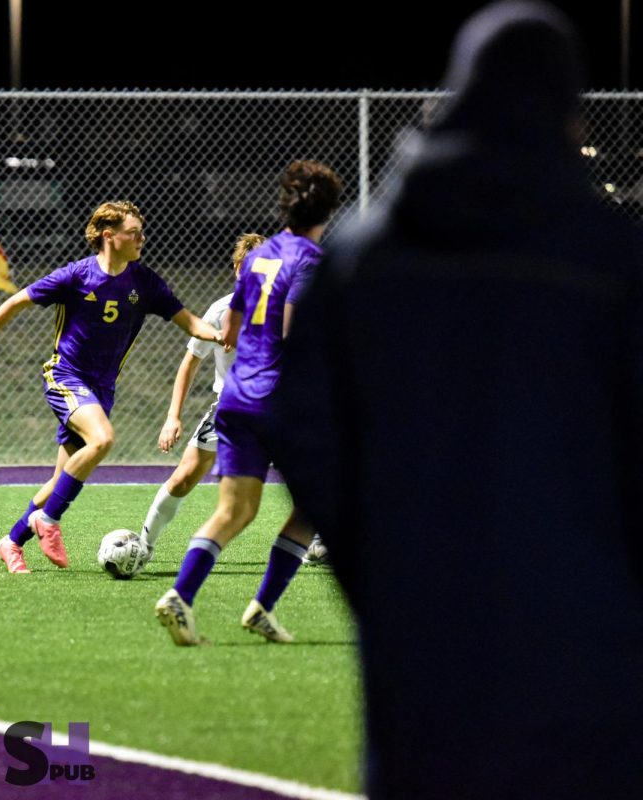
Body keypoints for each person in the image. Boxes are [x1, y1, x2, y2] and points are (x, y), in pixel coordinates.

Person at [271, 3, 643, 798]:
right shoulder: (612, 260)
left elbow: (307, 431)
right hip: (591, 624)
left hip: (422, 623)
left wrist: (385, 564)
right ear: (567, 108)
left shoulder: (364, 258)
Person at [0, 201, 224, 573]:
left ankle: (12, 541)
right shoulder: (77, 276)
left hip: (101, 390)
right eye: (134, 232)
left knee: (61, 479)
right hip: (65, 376)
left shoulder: (143, 282)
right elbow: (15, 301)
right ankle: (47, 522)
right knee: (102, 440)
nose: (142, 238)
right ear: (109, 236)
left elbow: (191, 323)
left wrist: (222, 335)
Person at [154, 160, 341, 645]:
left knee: (234, 512)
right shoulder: (310, 259)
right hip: (280, 399)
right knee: (315, 505)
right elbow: (292, 333)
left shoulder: (260, 257)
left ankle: (181, 596)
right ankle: (262, 604)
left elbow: (231, 331)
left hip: (235, 397)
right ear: (328, 212)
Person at [137, 233, 265, 567]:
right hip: (231, 408)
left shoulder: (285, 308)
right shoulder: (221, 311)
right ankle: (143, 545)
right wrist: (172, 416)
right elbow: (189, 364)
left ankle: (322, 542)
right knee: (184, 476)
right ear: (238, 268)